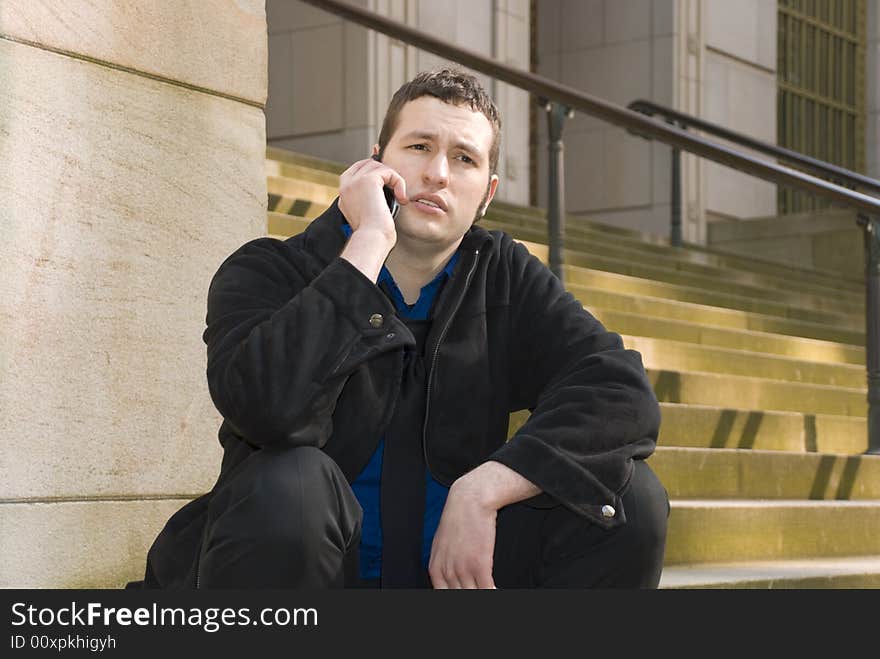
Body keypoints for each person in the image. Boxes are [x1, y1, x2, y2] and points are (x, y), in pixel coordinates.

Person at [137, 68, 669, 590]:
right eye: (418, 147)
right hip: (308, 576)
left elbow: (621, 392)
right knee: (291, 483)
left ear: (487, 193)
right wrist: (368, 241)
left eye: (463, 158)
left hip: (452, 578)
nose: (437, 172)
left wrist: (486, 487)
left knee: (629, 497)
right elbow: (268, 408)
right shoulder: (273, 270)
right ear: (376, 162)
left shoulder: (504, 278)